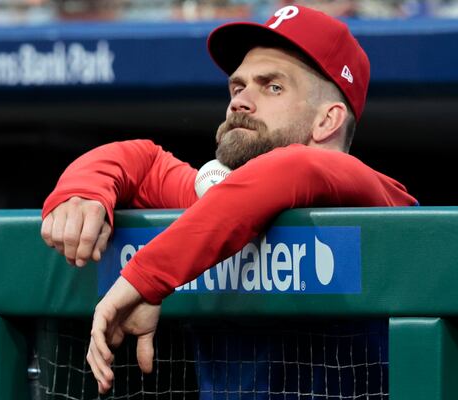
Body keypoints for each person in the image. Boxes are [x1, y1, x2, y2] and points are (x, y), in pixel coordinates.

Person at [40, 5, 417, 394]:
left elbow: (296, 168)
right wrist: (82, 193)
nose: (240, 101)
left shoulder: (372, 192)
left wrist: (144, 279)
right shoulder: (218, 203)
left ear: (327, 120)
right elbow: (144, 161)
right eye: (238, 87)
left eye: (272, 87)